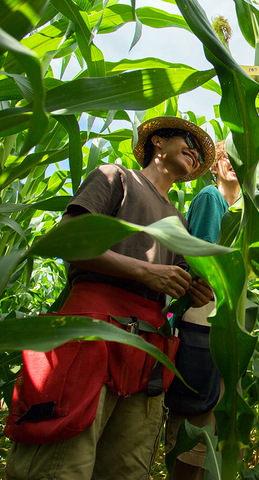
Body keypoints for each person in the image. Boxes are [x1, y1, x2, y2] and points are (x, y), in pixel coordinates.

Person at [5, 116, 215, 480]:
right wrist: (144, 270)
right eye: (188, 141)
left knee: (126, 470)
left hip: (146, 353)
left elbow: (176, 286)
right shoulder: (116, 178)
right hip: (92, 335)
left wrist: (195, 292)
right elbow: (66, 240)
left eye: (199, 151)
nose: (195, 153)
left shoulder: (178, 222)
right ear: (158, 143)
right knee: (61, 465)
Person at [164, 140, 241, 480]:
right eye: (226, 158)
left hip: (220, 328)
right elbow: (206, 269)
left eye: (241, 158)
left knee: (206, 434)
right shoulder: (212, 199)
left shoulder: (239, 211)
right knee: (196, 429)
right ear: (214, 166)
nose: (234, 164)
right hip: (204, 324)